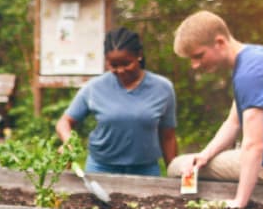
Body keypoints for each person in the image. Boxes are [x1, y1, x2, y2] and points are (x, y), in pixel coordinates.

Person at [167, 10, 263, 208]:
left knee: (176, 166)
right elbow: (233, 122)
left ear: (220, 42)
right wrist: (204, 155)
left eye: (198, 56)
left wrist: (240, 201)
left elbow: (253, 145)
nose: (195, 65)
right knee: (194, 162)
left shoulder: (250, 74)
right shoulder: (254, 58)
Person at [55, 27, 178, 175]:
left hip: (145, 169)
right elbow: (65, 121)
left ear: (139, 55)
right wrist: (69, 142)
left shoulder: (162, 88)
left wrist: (174, 173)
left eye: (126, 64)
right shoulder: (94, 87)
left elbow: (168, 136)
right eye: (114, 65)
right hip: (101, 167)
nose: (120, 70)